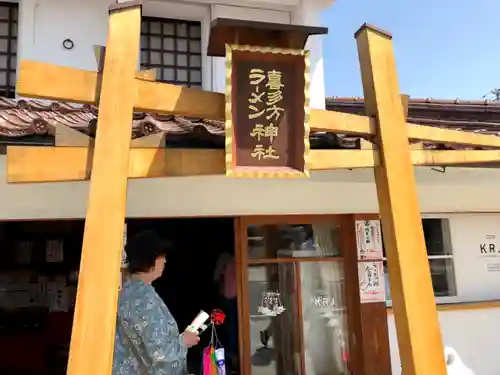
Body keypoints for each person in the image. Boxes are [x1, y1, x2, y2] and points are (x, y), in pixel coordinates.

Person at [113, 230, 200, 375]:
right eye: (162, 257)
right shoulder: (143, 298)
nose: (165, 261)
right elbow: (161, 351)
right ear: (150, 261)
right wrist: (184, 340)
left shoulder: (128, 291)